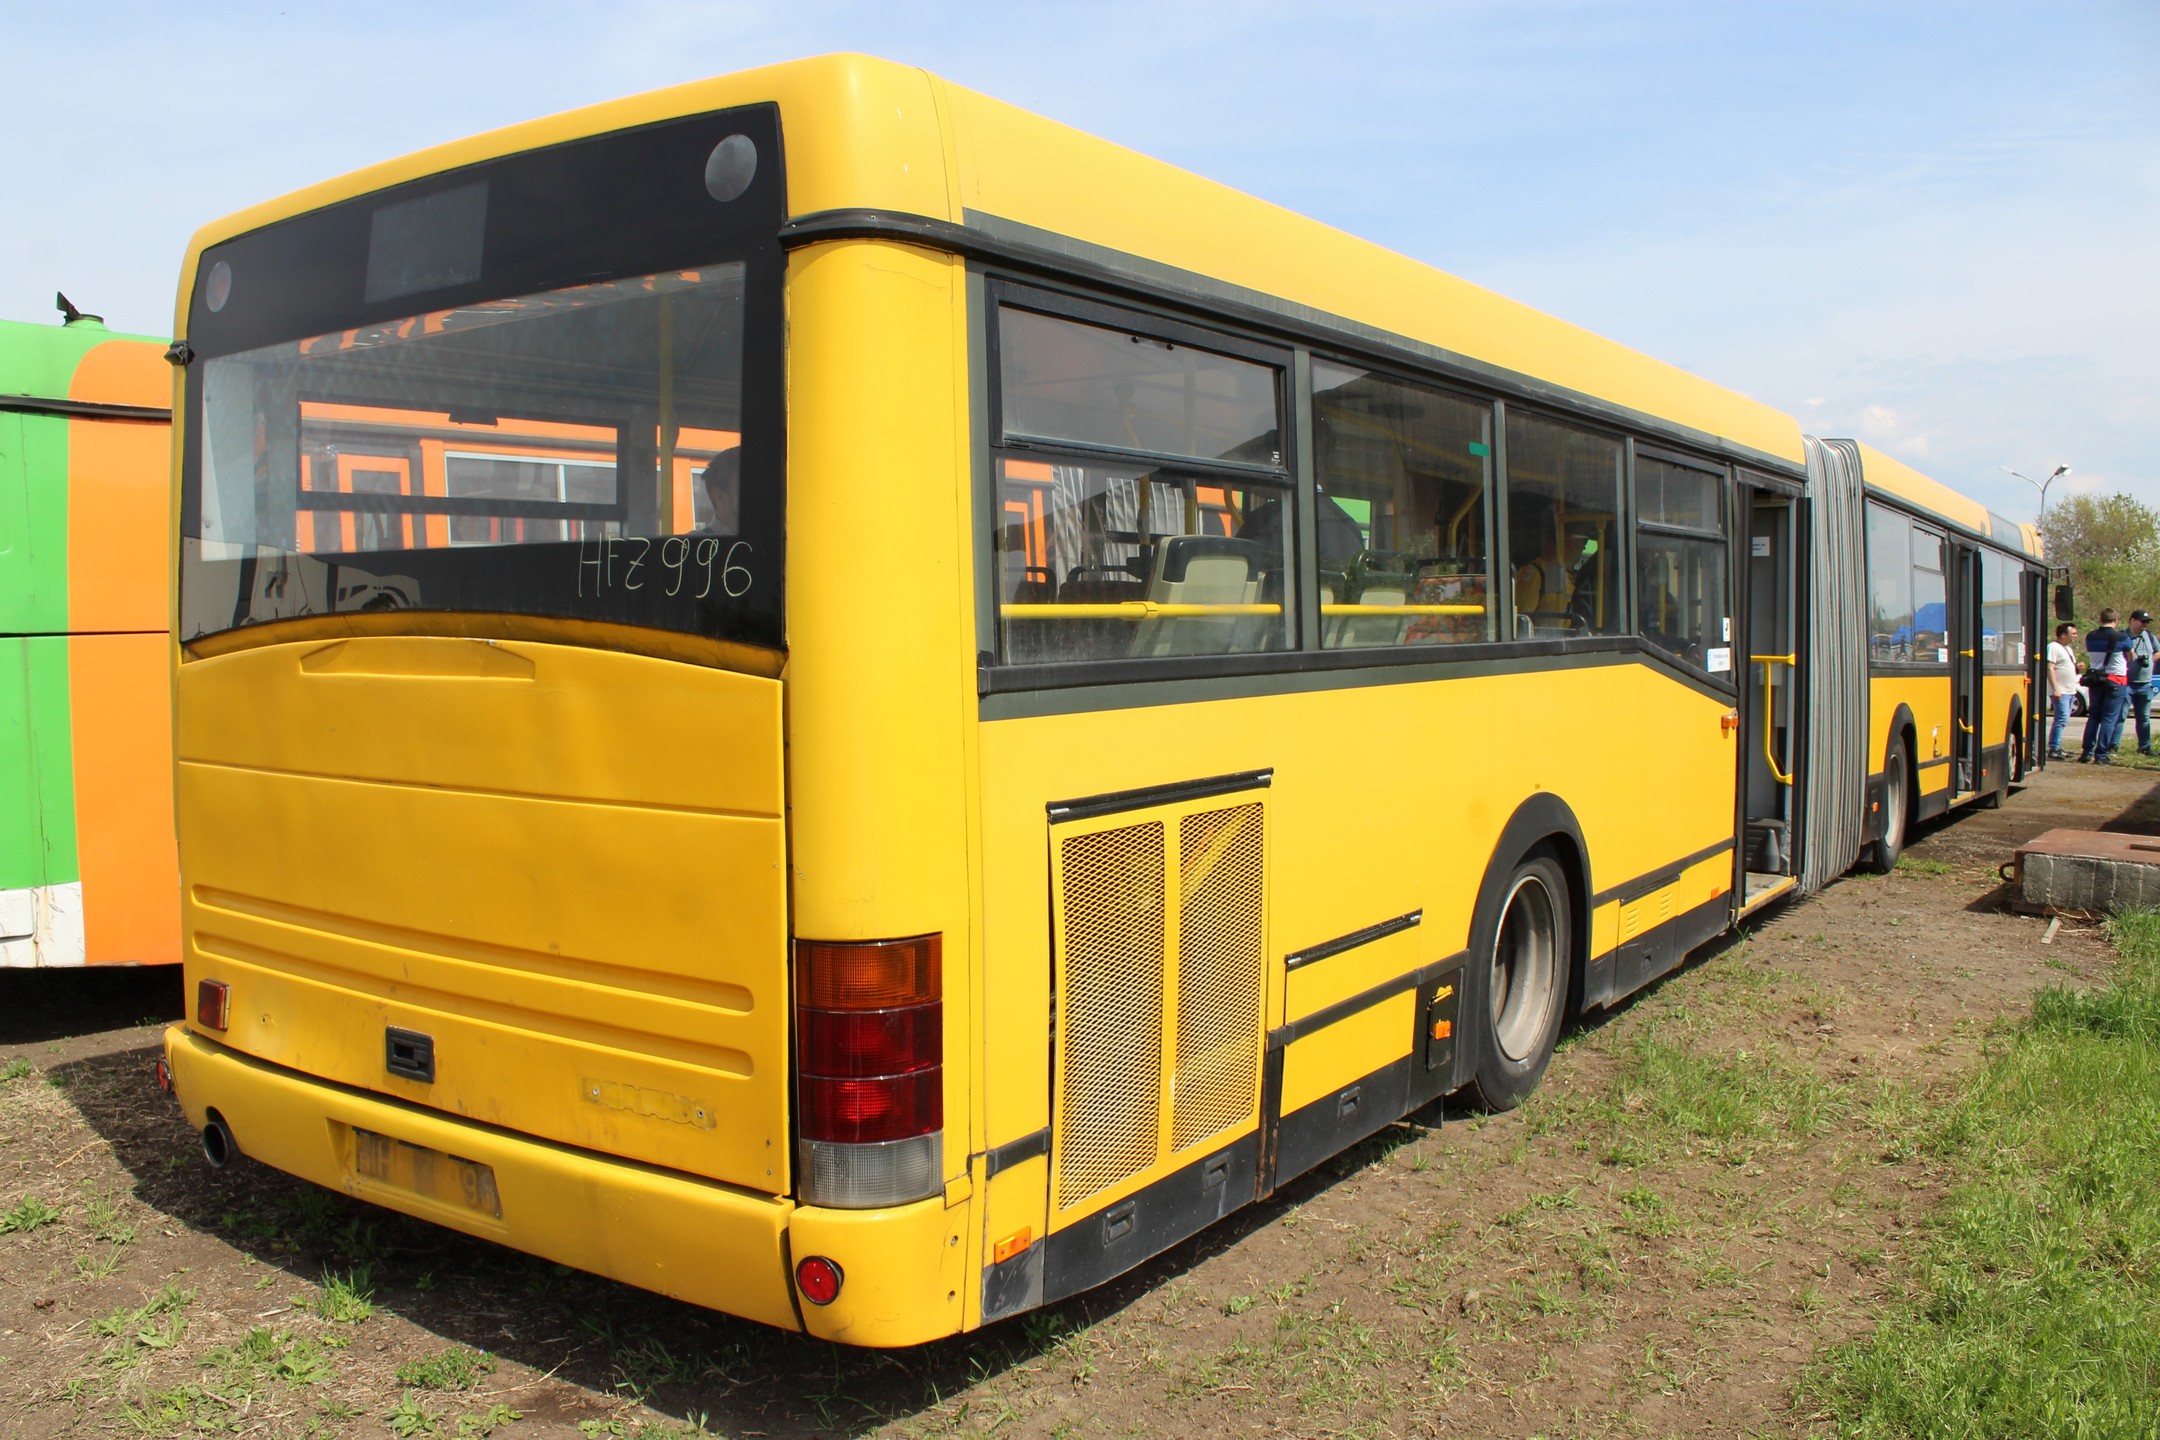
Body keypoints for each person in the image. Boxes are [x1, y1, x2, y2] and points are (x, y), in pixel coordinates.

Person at [2082, 608, 2133, 763]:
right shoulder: (2122, 637)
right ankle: (2101, 754)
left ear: (2100, 619)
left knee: (2094, 717)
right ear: (2116, 620)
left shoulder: (2091, 636)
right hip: (2115, 680)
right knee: (2109, 718)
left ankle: (2086, 752)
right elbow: (2131, 656)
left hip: (2096, 679)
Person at [2045, 621, 2082, 760]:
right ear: (2063, 635)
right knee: (2061, 718)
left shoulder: (2068, 649)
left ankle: (2057, 746)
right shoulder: (2053, 647)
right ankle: (2054, 748)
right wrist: (2056, 689)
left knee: (2064, 719)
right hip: (2061, 690)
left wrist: (2077, 667)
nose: (2075, 636)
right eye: (2073, 633)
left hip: (2070, 690)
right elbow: (2050, 668)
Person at [2128, 610, 2157, 756]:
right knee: (2120, 716)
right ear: (2132, 620)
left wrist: (2150, 660)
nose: (2145, 625)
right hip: (2127, 683)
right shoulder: (2123, 636)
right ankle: (2112, 746)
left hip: (2145, 683)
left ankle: (2145, 746)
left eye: (2147, 622)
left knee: (2144, 718)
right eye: (2142, 621)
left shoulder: (2149, 636)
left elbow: (2158, 651)